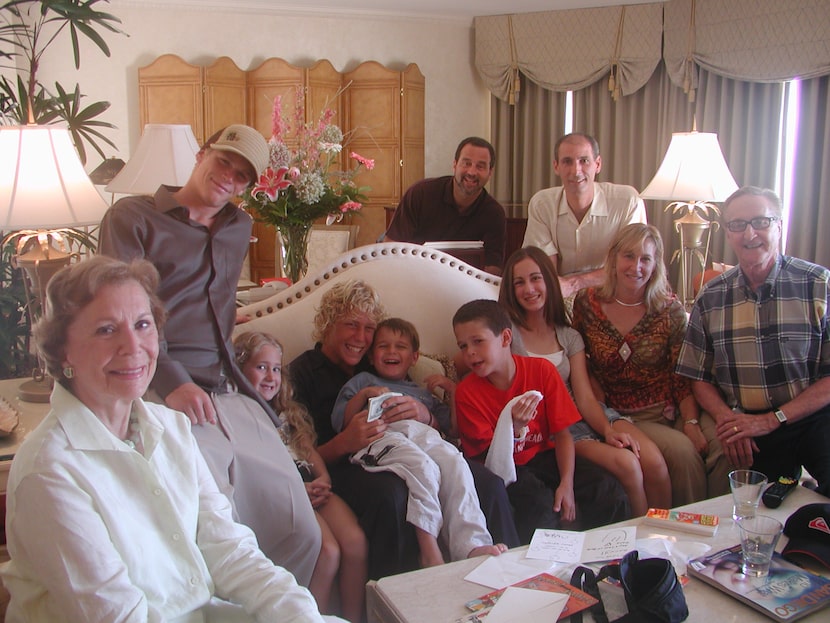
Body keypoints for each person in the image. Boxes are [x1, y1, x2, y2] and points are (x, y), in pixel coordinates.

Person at [0, 256, 341, 623]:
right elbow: (115, 616)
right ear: (63, 349)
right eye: (105, 329)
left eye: (143, 324)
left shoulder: (171, 427)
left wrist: (299, 614)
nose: (134, 346)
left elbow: (229, 549)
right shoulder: (49, 471)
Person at [98, 124, 321, 585]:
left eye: (242, 176)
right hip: (164, 388)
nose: (229, 178)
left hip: (228, 387)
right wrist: (172, 380)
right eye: (224, 161)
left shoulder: (239, 226)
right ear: (202, 153)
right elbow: (121, 314)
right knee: (214, 531)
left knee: (302, 532)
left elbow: (217, 301)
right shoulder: (132, 218)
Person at [290, 279, 520, 579]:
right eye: (350, 325)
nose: (361, 337)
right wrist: (345, 441)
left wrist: (427, 416)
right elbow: (297, 448)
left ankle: (507, 576)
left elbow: (422, 409)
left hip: (409, 445)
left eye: (369, 328)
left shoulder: (379, 360)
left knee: (487, 482)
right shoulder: (302, 371)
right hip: (343, 464)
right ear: (328, 323)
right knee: (393, 495)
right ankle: (404, 596)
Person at [676, 186, 830, 496]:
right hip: (749, 423)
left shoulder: (818, 285)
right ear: (728, 233)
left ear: (779, 225)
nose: (749, 234)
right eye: (738, 225)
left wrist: (774, 419)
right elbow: (699, 377)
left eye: (760, 222)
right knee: (755, 512)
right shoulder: (712, 296)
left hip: (812, 418)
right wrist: (729, 420)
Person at [499, 246, 672, 516]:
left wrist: (608, 430)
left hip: (590, 413)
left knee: (654, 461)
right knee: (628, 465)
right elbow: (473, 357)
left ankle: (664, 538)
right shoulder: (507, 334)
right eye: (519, 283)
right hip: (559, 426)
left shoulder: (568, 335)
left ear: (549, 281)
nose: (529, 289)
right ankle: (638, 544)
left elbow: (585, 397)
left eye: (536, 278)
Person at [571, 223, 730, 505]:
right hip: (623, 414)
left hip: (674, 405)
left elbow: (681, 375)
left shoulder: (669, 310)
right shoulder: (586, 303)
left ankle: (720, 528)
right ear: (614, 258)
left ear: (656, 264)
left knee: (721, 444)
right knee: (683, 452)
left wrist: (691, 421)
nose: (636, 266)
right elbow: (580, 360)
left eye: (646, 258)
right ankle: (683, 533)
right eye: (629, 256)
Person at [452, 299, 631, 544]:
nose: (469, 352)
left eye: (478, 341)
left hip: (545, 456)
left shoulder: (542, 371)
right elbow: (491, 461)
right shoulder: (466, 393)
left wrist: (566, 484)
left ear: (505, 338)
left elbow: (563, 434)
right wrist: (512, 428)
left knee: (608, 491)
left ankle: (609, 562)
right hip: (508, 469)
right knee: (540, 510)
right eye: (463, 346)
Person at [332, 318, 505, 567]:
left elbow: (453, 429)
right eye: (383, 346)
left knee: (455, 462)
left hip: (423, 436)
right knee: (422, 466)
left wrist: (453, 391)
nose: (392, 351)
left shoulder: (422, 394)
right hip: (383, 435)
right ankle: (428, 547)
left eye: (400, 347)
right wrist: (363, 396)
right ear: (371, 356)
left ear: (414, 357)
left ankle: (471, 544)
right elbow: (343, 424)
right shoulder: (362, 382)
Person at [234, 332, 367, 623]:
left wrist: (324, 479)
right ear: (238, 369)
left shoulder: (286, 412)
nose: (271, 376)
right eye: (261, 367)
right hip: (288, 491)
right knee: (328, 551)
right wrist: (299, 490)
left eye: (276, 369)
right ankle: (309, 617)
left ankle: (355, 618)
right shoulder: (238, 412)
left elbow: (309, 451)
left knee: (355, 542)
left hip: (312, 485)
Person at [522, 133, 647, 297]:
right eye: (567, 161)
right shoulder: (541, 204)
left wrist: (574, 283)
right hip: (558, 294)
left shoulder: (627, 202)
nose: (576, 170)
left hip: (613, 294)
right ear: (556, 166)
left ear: (598, 164)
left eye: (584, 161)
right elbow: (543, 267)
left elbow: (631, 267)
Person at [384, 136, 507, 275]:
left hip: (467, 288)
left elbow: (492, 270)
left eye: (480, 166)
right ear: (455, 164)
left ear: (490, 172)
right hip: (414, 278)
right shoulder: (420, 194)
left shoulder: (494, 213)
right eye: (466, 163)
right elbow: (391, 248)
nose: (472, 172)